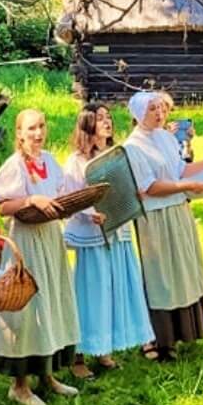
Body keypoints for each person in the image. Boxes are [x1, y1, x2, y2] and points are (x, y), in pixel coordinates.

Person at [0, 109, 82, 405]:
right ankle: (19, 385)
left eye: (41, 126)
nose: (37, 133)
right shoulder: (15, 166)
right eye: (31, 128)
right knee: (28, 310)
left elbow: (59, 196)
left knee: (52, 301)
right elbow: (2, 207)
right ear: (19, 133)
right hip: (26, 241)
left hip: (50, 238)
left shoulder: (50, 161)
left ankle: (48, 375)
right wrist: (30, 200)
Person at [125, 91, 203, 361]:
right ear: (138, 114)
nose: (159, 114)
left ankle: (185, 332)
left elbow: (179, 168)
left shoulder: (166, 137)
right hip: (156, 218)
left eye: (161, 108)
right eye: (152, 110)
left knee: (183, 270)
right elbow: (148, 187)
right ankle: (161, 340)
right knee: (163, 276)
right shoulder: (133, 147)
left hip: (178, 211)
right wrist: (187, 186)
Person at [61, 103, 153, 376]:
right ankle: (78, 356)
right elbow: (70, 197)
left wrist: (134, 197)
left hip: (118, 230)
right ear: (88, 124)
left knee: (114, 290)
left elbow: (124, 187)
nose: (107, 122)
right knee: (92, 293)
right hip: (93, 235)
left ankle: (103, 350)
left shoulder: (115, 156)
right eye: (100, 118)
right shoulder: (76, 161)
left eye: (108, 118)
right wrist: (91, 214)